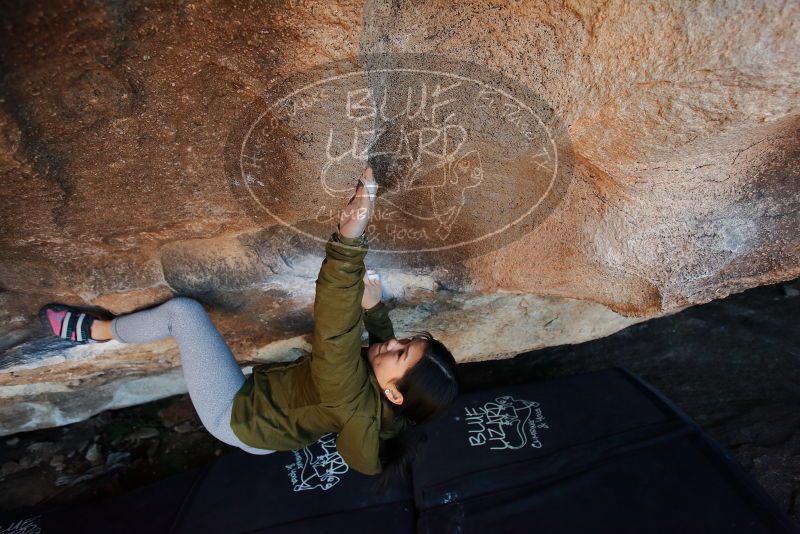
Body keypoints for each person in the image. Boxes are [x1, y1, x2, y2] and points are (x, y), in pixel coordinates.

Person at [39, 165, 459, 479]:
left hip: (234, 414)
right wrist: (374, 311)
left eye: (401, 352)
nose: (391, 343)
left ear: (395, 394)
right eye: (403, 341)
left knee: (183, 314)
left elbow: (335, 325)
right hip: (269, 428)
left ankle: (97, 332)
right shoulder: (386, 409)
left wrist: (349, 239)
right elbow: (372, 352)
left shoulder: (348, 391)